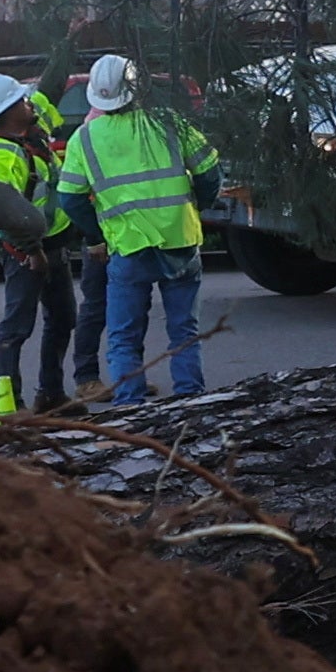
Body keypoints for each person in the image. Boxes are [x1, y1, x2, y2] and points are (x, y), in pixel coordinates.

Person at [51, 51, 228, 406]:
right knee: (184, 330)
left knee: (124, 336)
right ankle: (190, 400)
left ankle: (130, 408)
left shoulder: (84, 139)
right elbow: (210, 173)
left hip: (128, 246)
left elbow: (69, 200)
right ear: (137, 89)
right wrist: (197, 206)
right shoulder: (169, 122)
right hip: (180, 240)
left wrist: (97, 234)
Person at [0, 66, 86, 419]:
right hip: (25, 253)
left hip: (50, 246)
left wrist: (68, 42)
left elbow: (48, 90)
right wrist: (32, 252)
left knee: (63, 317)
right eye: (21, 100)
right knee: (17, 326)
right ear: (7, 114)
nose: (29, 102)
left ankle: (50, 394)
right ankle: (7, 404)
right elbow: (4, 214)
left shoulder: (32, 134)